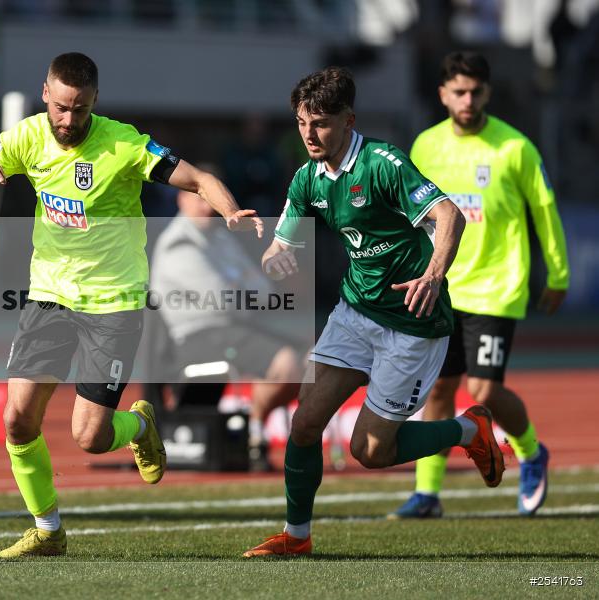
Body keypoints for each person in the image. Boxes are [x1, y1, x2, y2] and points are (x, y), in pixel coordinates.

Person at [0, 52, 262, 558]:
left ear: (94, 103)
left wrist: (231, 210)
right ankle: (48, 530)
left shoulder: (124, 143)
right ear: (46, 94)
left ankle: (141, 424)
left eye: (79, 110)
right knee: (18, 419)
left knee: (89, 436)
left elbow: (197, 179)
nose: (68, 120)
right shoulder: (26, 137)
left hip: (114, 302)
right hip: (49, 296)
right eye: (61, 108)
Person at [242, 66, 504, 558]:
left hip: (413, 324)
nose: (309, 134)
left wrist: (433, 275)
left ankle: (470, 429)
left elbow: (448, 216)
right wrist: (276, 258)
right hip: (355, 314)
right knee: (304, 423)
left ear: (348, 120)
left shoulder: (384, 164)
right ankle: (296, 536)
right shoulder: (306, 179)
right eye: (301, 122)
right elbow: (281, 245)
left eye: (320, 123)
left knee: (371, 451)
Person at [390, 51, 569, 520]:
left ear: (487, 93)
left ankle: (531, 452)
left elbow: (544, 208)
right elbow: (409, 215)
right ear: (443, 94)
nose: (468, 100)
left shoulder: (514, 148)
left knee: (484, 390)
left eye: (475, 91)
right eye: (459, 92)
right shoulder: (426, 146)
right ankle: (428, 494)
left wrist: (558, 272)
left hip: (497, 286)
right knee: (439, 390)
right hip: (440, 286)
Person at [150, 163, 303, 472]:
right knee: (286, 362)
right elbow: (223, 299)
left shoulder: (221, 239)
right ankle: (253, 431)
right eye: (198, 197)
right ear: (181, 199)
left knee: (309, 356)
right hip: (197, 337)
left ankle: (253, 430)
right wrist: (241, 285)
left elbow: (260, 287)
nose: (206, 206)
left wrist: (240, 287)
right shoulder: (178, 243)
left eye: (210, 199)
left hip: (233, 328)